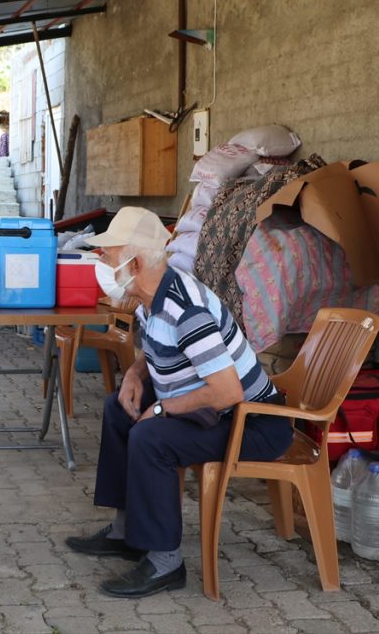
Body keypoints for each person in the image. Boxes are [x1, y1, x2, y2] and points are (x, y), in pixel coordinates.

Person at [65, 207, 293, 598]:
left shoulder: (186, 309)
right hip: (212, 404)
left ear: (134, 263)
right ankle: (127, 533)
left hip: (253, 422)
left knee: (152, 438)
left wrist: (162, 408)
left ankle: (165, 562)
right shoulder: (150, 294)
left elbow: (227, 392)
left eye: (108, 255)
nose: (101, 263)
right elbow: (156, 345)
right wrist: (136, 374)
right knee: (118, 409)